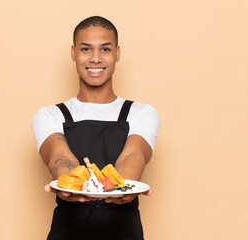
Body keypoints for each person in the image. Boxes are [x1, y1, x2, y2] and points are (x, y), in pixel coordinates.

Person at [32, 16, 160, 240]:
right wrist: (70, 186)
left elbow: (133, 156)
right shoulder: (49, 115)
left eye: (105, 49)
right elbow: (59, 158)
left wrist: (120, 189)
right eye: (85, 49)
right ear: (73, 53)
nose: (95, 59)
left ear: (117, 53)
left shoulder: (141, 113)